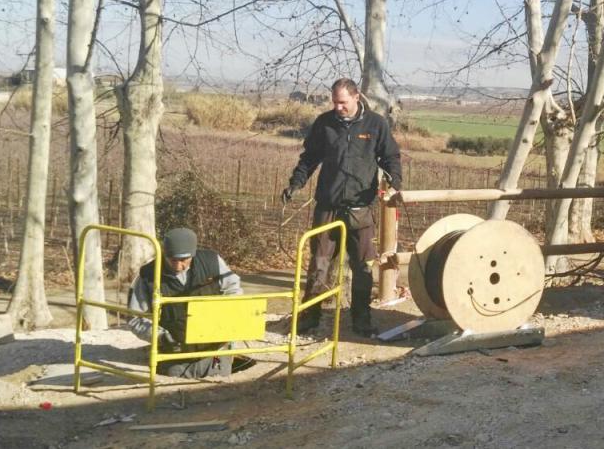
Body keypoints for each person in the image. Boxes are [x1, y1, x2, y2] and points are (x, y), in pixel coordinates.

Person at [280, 78, 402, 336]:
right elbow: (309, 158)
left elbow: (390, 156)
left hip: (360, 208)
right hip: (329, 205)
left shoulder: (375, 125)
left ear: (356, 97)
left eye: (342, 102)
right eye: (334, 102)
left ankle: (361, 319)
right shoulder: (325, 124)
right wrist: (295, 183)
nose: (337, 107)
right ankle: (310, 316)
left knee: (362, 267)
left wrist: (395, 181)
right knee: (320, 262)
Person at [126, 227, 253, 377]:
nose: (179, 266)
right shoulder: (148, 275)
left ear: (193, 254)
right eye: (173, 260)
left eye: (184, 260)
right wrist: (160, 337)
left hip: (215, 349)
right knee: (174, 379)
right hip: (175, 352)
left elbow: (234, 290)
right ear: (165, 254)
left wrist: (225, 321)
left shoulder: (212, 262)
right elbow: (135, 318)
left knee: (220, 379)